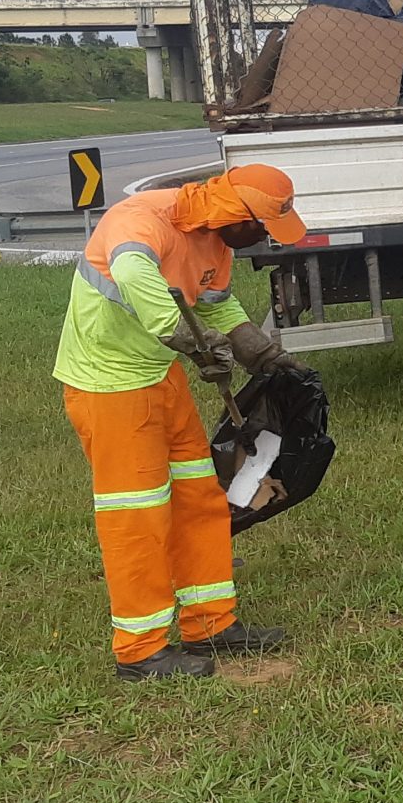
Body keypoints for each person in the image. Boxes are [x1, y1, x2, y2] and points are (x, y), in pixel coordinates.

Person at [54, 164, 308, 680]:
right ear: (235, 214)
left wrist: (253, 348)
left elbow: (214, 301)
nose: (262, 238)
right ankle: (140, 649)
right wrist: (187, 338)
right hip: (110, 387)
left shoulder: (217, 242)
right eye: (260, 226)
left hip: (158, 379)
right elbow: (131, 274)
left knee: (199, 497)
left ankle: (210, 623)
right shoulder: (141, 220)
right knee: (139, 515)